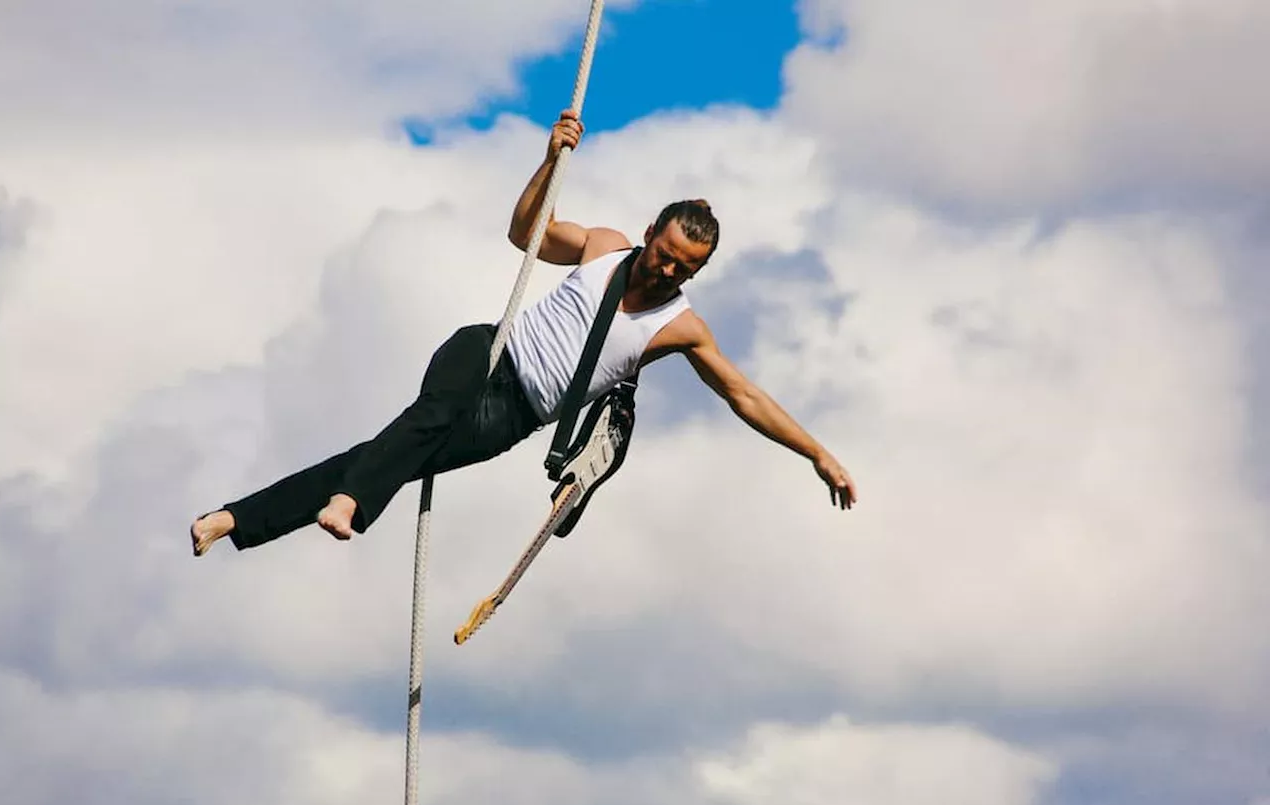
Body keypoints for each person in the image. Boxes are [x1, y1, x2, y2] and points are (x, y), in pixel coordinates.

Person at [190, 109, 858, 556]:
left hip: (514, 416)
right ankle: (348, 505)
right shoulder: (603, 245)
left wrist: (817, 453)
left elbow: (745, 396)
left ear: (700, 269)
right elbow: (526, 231)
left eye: (685, 267)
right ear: (651, 230)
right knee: (425, 418)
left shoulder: (679, 328)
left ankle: (235, 518)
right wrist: (549, 159)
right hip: (488, 350)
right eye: (663, 252)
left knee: (385, 453)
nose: (664, 269)